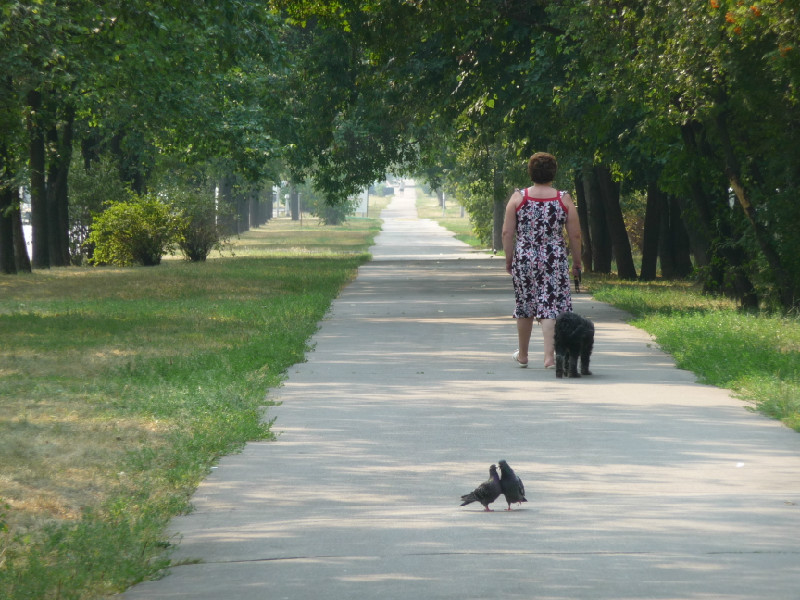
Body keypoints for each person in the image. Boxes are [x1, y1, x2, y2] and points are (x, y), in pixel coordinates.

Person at [501, 152, 582, 368]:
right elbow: (575, 234)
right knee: (550, 306)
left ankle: (524, 356)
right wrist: (577, 262)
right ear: (553, 172)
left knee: (525, 305)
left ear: (531, 172)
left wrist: (509, 259)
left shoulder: (518, 198)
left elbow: (507, 233)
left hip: (525, 257)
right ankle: (549, 357)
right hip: (554, 258)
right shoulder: (563, 198)